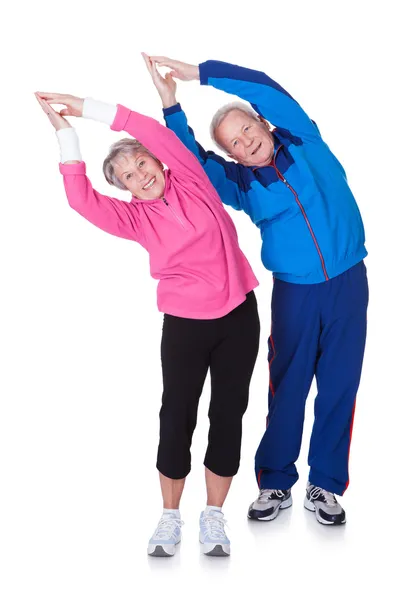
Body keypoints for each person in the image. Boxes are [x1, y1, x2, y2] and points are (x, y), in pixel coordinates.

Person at [35, 56, 260, 557]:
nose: (140, 175)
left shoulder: (193, 180)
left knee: (229, 412)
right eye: (128, 176)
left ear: (159, 163)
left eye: (142, 165)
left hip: (238, 316)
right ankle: (169, 517)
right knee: (176, 413)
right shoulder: (134, 221)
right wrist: (66, 136)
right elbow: (80, 200)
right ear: (126, 190)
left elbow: (145, 129)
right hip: (184, 325)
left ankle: (214, 517)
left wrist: (86, 107)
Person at [147, 55, 369, 526]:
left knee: (340, 383)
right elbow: (190, 164)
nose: (245, 142)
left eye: (246, 129)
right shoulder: (243, 185)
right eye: (234, 144)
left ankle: (326, 486)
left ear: (262, 122)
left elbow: (265, 86)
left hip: (349, 281)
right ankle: (274, 481)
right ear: (234, 156)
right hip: (295, 294)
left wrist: (200, 74)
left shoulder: (305, 139)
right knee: (287, 385)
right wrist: (172, 107)